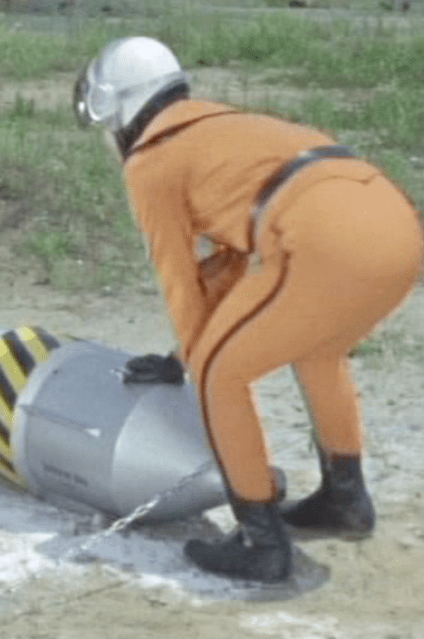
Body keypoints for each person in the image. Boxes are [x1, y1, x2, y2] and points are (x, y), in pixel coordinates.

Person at [73, 37, 423, 582]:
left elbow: (179, 280)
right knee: (317, 349)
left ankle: (261, 544)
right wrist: (179, 355)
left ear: (121, 109)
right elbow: (234, 265)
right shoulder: (228, 126)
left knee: (221, 374)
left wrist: (195, 360)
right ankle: (345, 500)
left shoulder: (151, 160)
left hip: (326, 238)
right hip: (396, 228)